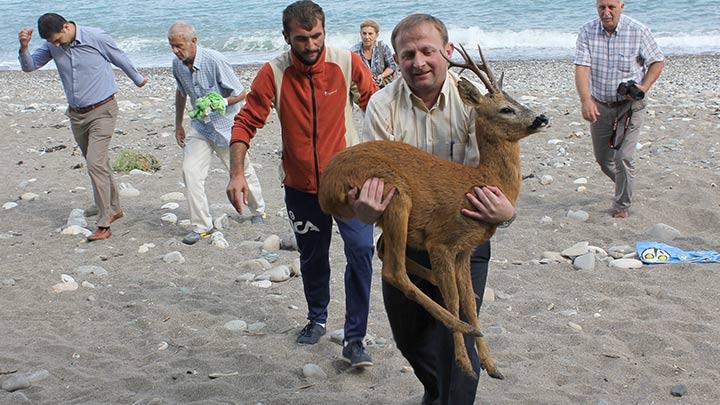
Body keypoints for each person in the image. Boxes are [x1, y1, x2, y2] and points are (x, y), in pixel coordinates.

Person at [351, 14, 516, 404]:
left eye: (427, 50)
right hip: (406, 243)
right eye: (408, 54)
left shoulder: (473, 105)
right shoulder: (381, 105)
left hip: (462, 239)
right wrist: (365, 211)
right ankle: (435, 393)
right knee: (412, 341)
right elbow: (375, 187)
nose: (418, 61)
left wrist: (506, 214)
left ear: (448, 51)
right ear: (397, 58)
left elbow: (494, 180)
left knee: (461, 343)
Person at [226, 1, 378, 368]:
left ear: (325, 32)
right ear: (286, 37)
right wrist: (236, 173)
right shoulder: (273, 73)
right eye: (301, 39)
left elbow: (377, 107)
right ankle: (317, 318)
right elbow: (246, 121)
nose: (310, 45)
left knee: (361, 252)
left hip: (348, 185)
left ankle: (355, 338)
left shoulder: (346, 62)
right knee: (313, 256)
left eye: (316, 37)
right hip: (300, 187)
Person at [18, 13, 147, 241]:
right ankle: (115, 207)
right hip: (77, 116)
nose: (55, 45)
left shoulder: (95, 36)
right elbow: (30, 67)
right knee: (99, 163)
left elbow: (118, 57)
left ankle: (104, 222)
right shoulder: (52, 44)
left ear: (67, 27)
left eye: (58, 40)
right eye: (52, 42)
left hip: (103, 110)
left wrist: (137, 79)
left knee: (95, 164)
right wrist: (24, 48)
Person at [168, 21, 268, 246]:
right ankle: (201, 226)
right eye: (172, 45)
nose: (175, 50)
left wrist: (221, 102)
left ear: (194, 41)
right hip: (200, 127)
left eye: (179, 45)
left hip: (226, 126)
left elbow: (241, 93)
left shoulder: (214, 60)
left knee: (242, 171)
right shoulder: (177, 65)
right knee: (190, 171)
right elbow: (181, 93)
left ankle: (258, 211)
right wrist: (178, 124)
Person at [574, 0, 664, 218]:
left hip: (631, 105)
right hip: (601, 103)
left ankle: (622, 205)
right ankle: (626, 183)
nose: (606, 13)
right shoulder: (587, 32)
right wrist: (586, 100)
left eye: (611, 7)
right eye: (601, 7)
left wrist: (643, 87)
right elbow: (582, 68)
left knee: (623, 156)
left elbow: (657, 61)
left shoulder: (638, 31)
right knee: (604, 160)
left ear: (621, 6)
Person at [350, 20, 397, 88]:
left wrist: (382, 75)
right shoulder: (354, 51)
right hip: (364, 86)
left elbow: (392, 66)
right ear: (360, 34)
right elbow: (352, 73)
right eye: (364, 33)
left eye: (370, 34)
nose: (367, 37)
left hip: (383, 84)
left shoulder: (382, 47)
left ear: (376, 35)